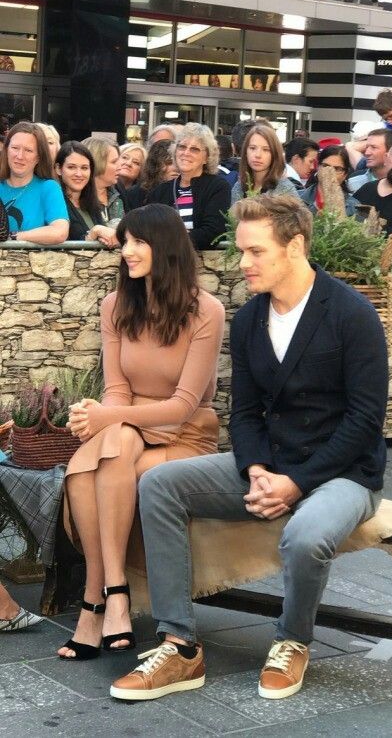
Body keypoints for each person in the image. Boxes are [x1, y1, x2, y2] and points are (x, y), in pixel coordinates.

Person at [110, 192, 388, 702]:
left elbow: (365, 421)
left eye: (255, 252)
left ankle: (292, 641)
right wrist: (258, 467)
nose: (243, 264)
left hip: (345, 475)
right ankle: (180, 646)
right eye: (241, 251)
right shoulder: (249, 320)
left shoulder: (352, 313)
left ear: (295, 245)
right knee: (158, 485)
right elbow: (244, 412)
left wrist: (296, 482)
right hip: (270, 465)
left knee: (306, 535)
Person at [58, 204, 225, 661]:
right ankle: (114, 592)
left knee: (89, 472)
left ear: (166, 246)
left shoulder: (206, 310)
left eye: (137, 242)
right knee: (102, 457)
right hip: (130, 426)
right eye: (124, 241)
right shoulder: (114, 304)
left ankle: (96, 605)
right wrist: (106, 416)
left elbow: (184, 405)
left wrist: (103, 419)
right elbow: (117, 390)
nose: (126, 251)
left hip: (186, 433)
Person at [145, 123, 230, 250]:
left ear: (206, 157)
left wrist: (170, 239)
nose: (186, 153)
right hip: (162, 262)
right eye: (182, 147)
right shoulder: (160, 191)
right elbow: (148, 228)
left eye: (194, 149)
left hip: (200, 264)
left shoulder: (218, 187)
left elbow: (213, 232)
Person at [0, 121, 69, 244]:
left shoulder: (48, 188)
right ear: (6, 150)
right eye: (15, 148)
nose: (20, 156)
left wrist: (13, 236)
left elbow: (60, 232)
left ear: (38, 157)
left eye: (28, 150)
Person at [55, 141, 115, 244]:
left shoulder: (92, 203)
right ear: (58, 169)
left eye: (84, 168)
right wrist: (94, 233)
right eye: (71, 167)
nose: (79, 174)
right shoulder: (54, 203)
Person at [231, 124, 300, 203]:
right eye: (252, 148)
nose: (258, 155)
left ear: (274, 154)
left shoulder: (285, 189)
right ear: (245, 152)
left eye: (266, 150)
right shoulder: (238, 187)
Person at [81, 137, 124, 244]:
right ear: (96, 163)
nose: (120, 166)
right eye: (114, 162)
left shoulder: (119, 190)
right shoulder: (76, 197)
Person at [299, 145, 358, 216]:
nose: (330, 172)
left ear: (345, 174)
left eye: (337, 169)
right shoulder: (296, 198)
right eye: (325, 166)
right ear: (318, 167)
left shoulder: (354, 207)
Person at [125, 140, 178, 211]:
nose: (177, 168)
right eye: (169, 162)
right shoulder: (135, 194)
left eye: (178, 162)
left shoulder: (187, 191)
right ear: (156, 165)